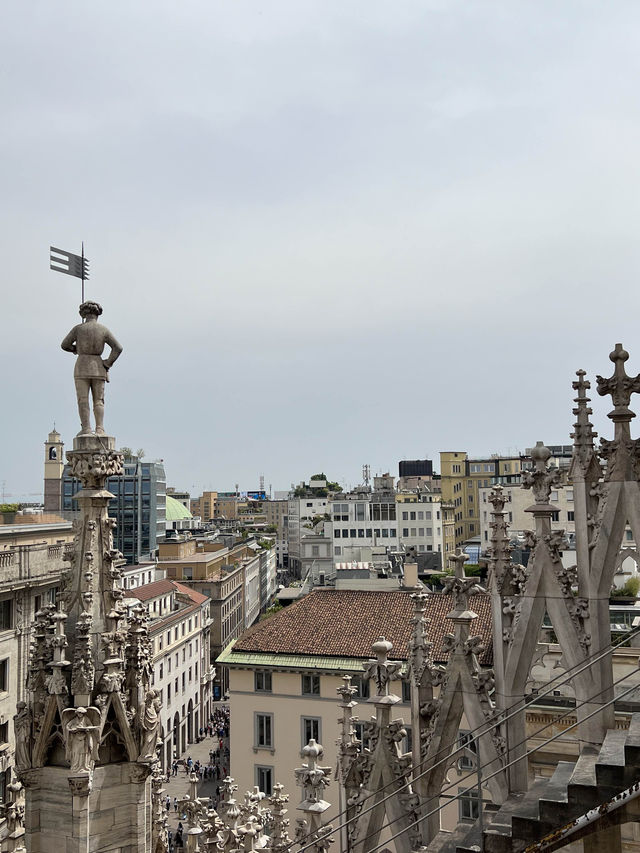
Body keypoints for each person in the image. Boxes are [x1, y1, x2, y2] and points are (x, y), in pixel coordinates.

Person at [61, 301, 123, 436]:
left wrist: (75, 349)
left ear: (83, 314)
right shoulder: (103, 329)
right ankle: (100, 428)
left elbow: (64, 344)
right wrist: (108, 363)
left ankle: (86, 428)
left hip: (82, 365)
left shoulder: (78, 329)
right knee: (99, 400)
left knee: (82, 399)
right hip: (98, 366)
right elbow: (118, 348)